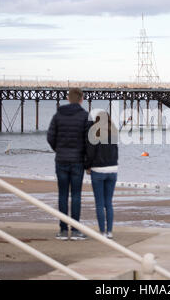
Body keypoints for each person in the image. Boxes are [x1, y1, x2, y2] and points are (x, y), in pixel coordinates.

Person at [47, 88, 91, 241]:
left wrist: (58, 149)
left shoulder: (58, 115)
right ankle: (77, 229)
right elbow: (89, 142)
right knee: (76, 195)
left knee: (63, 195)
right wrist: (88, 162)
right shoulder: (85, 116)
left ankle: (63, 230)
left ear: (68, 98)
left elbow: (50, 136)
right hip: (77, 161)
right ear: (81, 99)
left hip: (61, 160)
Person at [85, 111, 118, 239]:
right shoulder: (114, 133)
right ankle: (110, 231)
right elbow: (115, 153)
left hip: (98, 170)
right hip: (112, 169)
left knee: (99, 203)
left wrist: (87, 166)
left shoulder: (94, 133)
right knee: (108, 203)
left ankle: (102, 232)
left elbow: (90, 153)